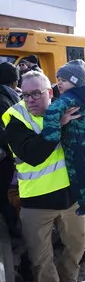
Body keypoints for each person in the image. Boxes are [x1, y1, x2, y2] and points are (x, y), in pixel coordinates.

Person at [2, 71, 85, 282]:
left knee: (77, 247)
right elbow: (33, 155)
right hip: (35, 203)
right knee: (41, 259)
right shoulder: (14, 118)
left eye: (36, 94)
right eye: (25, 94)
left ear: (50, 93)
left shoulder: (68, 107)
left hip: (71, 199)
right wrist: (58, 126)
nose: (30, 100)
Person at [40, 59, 85, 216]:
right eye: (58, 79)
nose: (59, 83)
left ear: (75, 81)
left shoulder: (68, 98)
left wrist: (51, 136)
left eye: (64, 80)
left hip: (74, 143)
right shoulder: (83, 97)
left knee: (78, 175)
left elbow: (52, 111)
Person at [0, 62, 21, 236]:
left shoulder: (5, 97)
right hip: (9, 156)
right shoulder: (10, 98)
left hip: (6, 155)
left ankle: (12, 228)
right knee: (8, 193)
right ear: (15, 82)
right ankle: (13, 228)